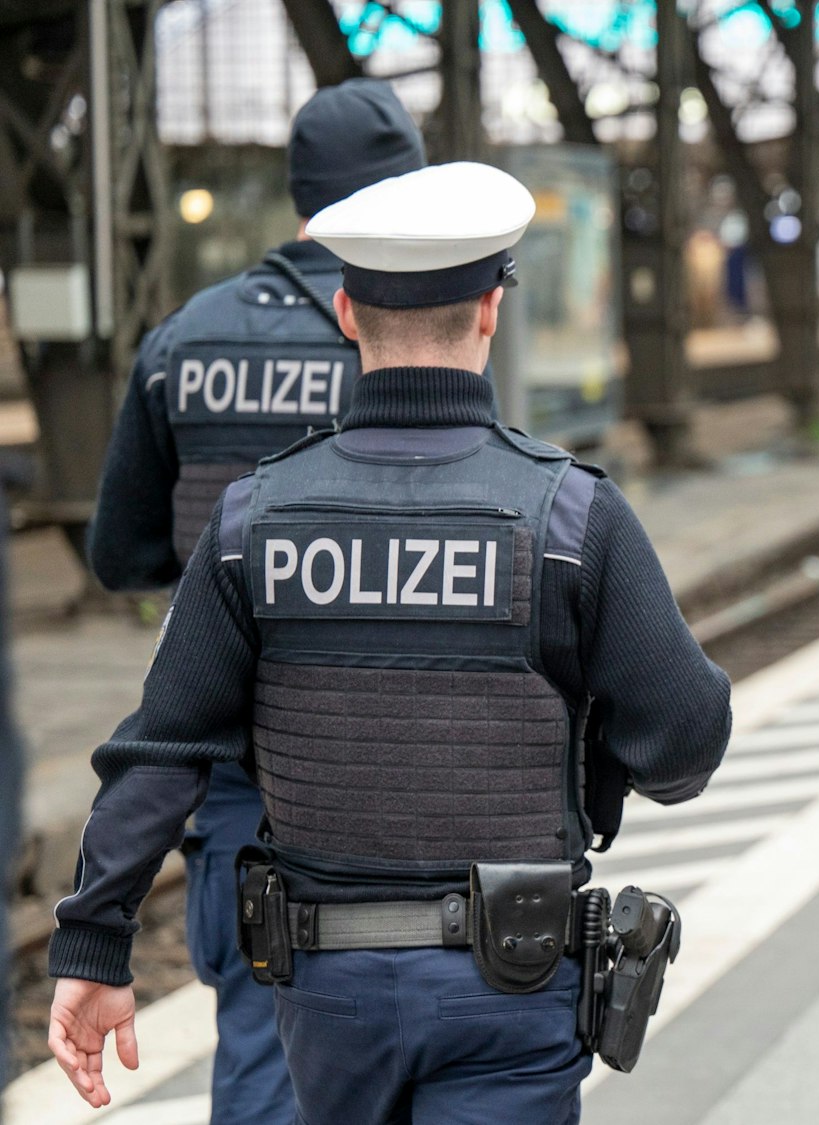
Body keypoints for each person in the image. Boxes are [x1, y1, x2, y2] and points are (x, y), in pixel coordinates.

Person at [46, 161, 733, 1122]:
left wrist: (92, 944)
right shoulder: (572, 517)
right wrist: (592, 765)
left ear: (345, 315)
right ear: (491, 311)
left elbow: (162, 748)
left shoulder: (256, 521)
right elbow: (687, 740)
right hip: (516, 979)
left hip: (329, 997)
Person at [81, 76, 426, 1124]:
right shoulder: (417, 332)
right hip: (396, 773)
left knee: (264, 1058)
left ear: (298, 195)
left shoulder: (184, 340)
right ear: (406, 192)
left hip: (235, 774)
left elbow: (120, 551)